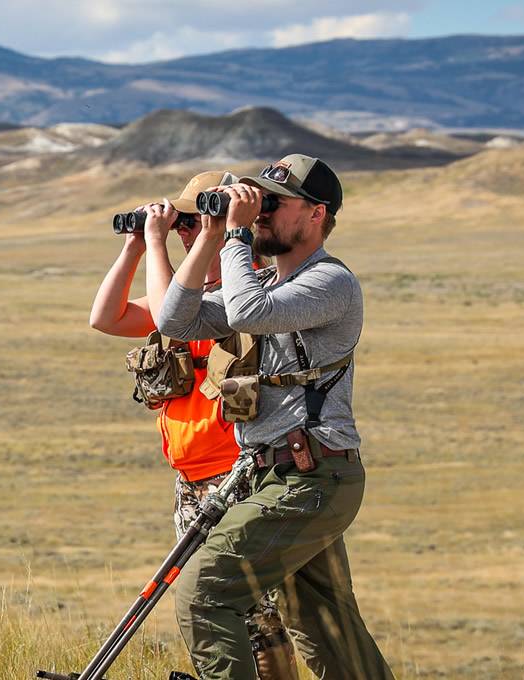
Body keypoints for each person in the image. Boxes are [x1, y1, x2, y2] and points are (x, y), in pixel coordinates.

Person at [156, 154, 394, 680]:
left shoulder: (331, 282)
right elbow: (174, 319)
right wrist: (210, 234)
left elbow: (247, 314)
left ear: (316, 214)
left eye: (274, 204)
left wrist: (236, 236)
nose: (260, 212)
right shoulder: (262, 282)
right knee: (327, 628)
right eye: (258, 201)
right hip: (279, 476)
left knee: (203, 591)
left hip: (312, 476)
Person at [87, 170, 277, 665]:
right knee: (204, 611)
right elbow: (105, 318)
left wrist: (157, 242)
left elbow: (175, 314)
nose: (186, 231)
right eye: (182, 224)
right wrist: (134, 246)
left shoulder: (249, 292)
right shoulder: (187, 294)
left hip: (238, 476)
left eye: (194, 221)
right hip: (191, 481)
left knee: (253, 617)